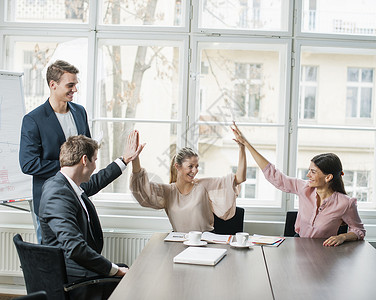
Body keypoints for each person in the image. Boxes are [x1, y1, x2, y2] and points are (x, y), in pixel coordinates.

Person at [39, 131, 143, 299]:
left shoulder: (68, 186)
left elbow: (97, 181)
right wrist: (113, 269)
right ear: (84, 160)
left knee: (124, 269)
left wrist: (124, 160)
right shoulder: (57, 193)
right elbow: (75, 248)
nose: (95, 166)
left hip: (77, 267)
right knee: (127, 277)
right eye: (95, 160)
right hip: (72, 276)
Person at [231, 122, 365, 247]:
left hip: (324, 252)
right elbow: (274, 175)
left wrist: (343, 237)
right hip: (299, 246)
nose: (308, 175)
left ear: (328, 177)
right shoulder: (304, 188)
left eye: (313, 172)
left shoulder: (346, 203)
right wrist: (246, 144)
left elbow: (358, 230)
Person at [19, 60, 91, 243]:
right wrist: (66, 169)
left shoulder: (80, 112)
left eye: (76, 84)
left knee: (79, 252)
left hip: (79, 196)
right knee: (51, 257)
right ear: (53, 85)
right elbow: (28, 164)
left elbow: (88, 150)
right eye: (70, 85)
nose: (75, 89)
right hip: (49, 199)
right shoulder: (33, 119)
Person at [129, 126, 247, 232]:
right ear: (177, 167)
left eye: (197, 166)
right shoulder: (168, 192)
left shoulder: (204, 186)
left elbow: (239, 178)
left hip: (206, 244)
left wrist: (242, 148)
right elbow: (142, 189)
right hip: (180, 245)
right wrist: (135, 158)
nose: (195, 171)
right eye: (190, 166)